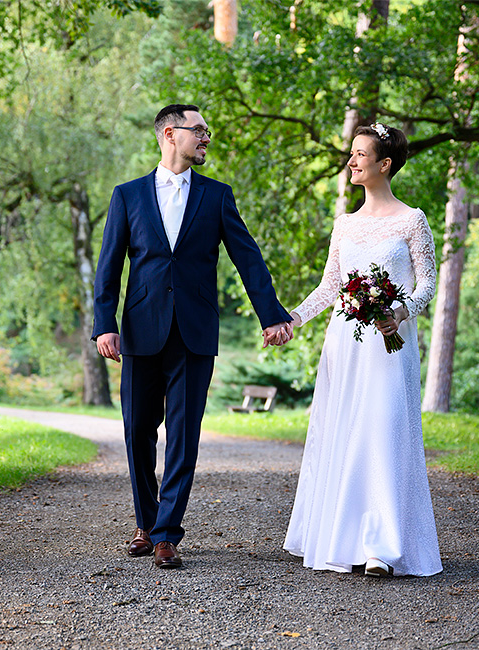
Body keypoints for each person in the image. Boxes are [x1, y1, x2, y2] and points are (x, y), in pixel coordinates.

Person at [93, 104, 293, 570]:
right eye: (199, 130)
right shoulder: (127, 196)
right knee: (138, 430)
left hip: (195, 332)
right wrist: (105, 324)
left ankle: (166, 534)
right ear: (169, 133)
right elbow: (109, 268)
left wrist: (272, 315)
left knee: (184, 434)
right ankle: (145, 522)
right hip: (141, 331)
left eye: (207, 131)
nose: (207, 138)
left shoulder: (217, 196)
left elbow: (249, 259)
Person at [282, 123, 442, 577]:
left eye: (359, 154)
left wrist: (401, 311)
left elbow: (427, 283)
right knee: (346, 431)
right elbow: (330, 286)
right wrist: (292, 319)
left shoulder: (412, 220)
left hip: (390, 347)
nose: (351, 161)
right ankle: (342, 538)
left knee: (384, 430)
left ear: (384, 164)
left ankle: (383, 548)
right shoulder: (344, 224)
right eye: (351, 154)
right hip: (344, 346)